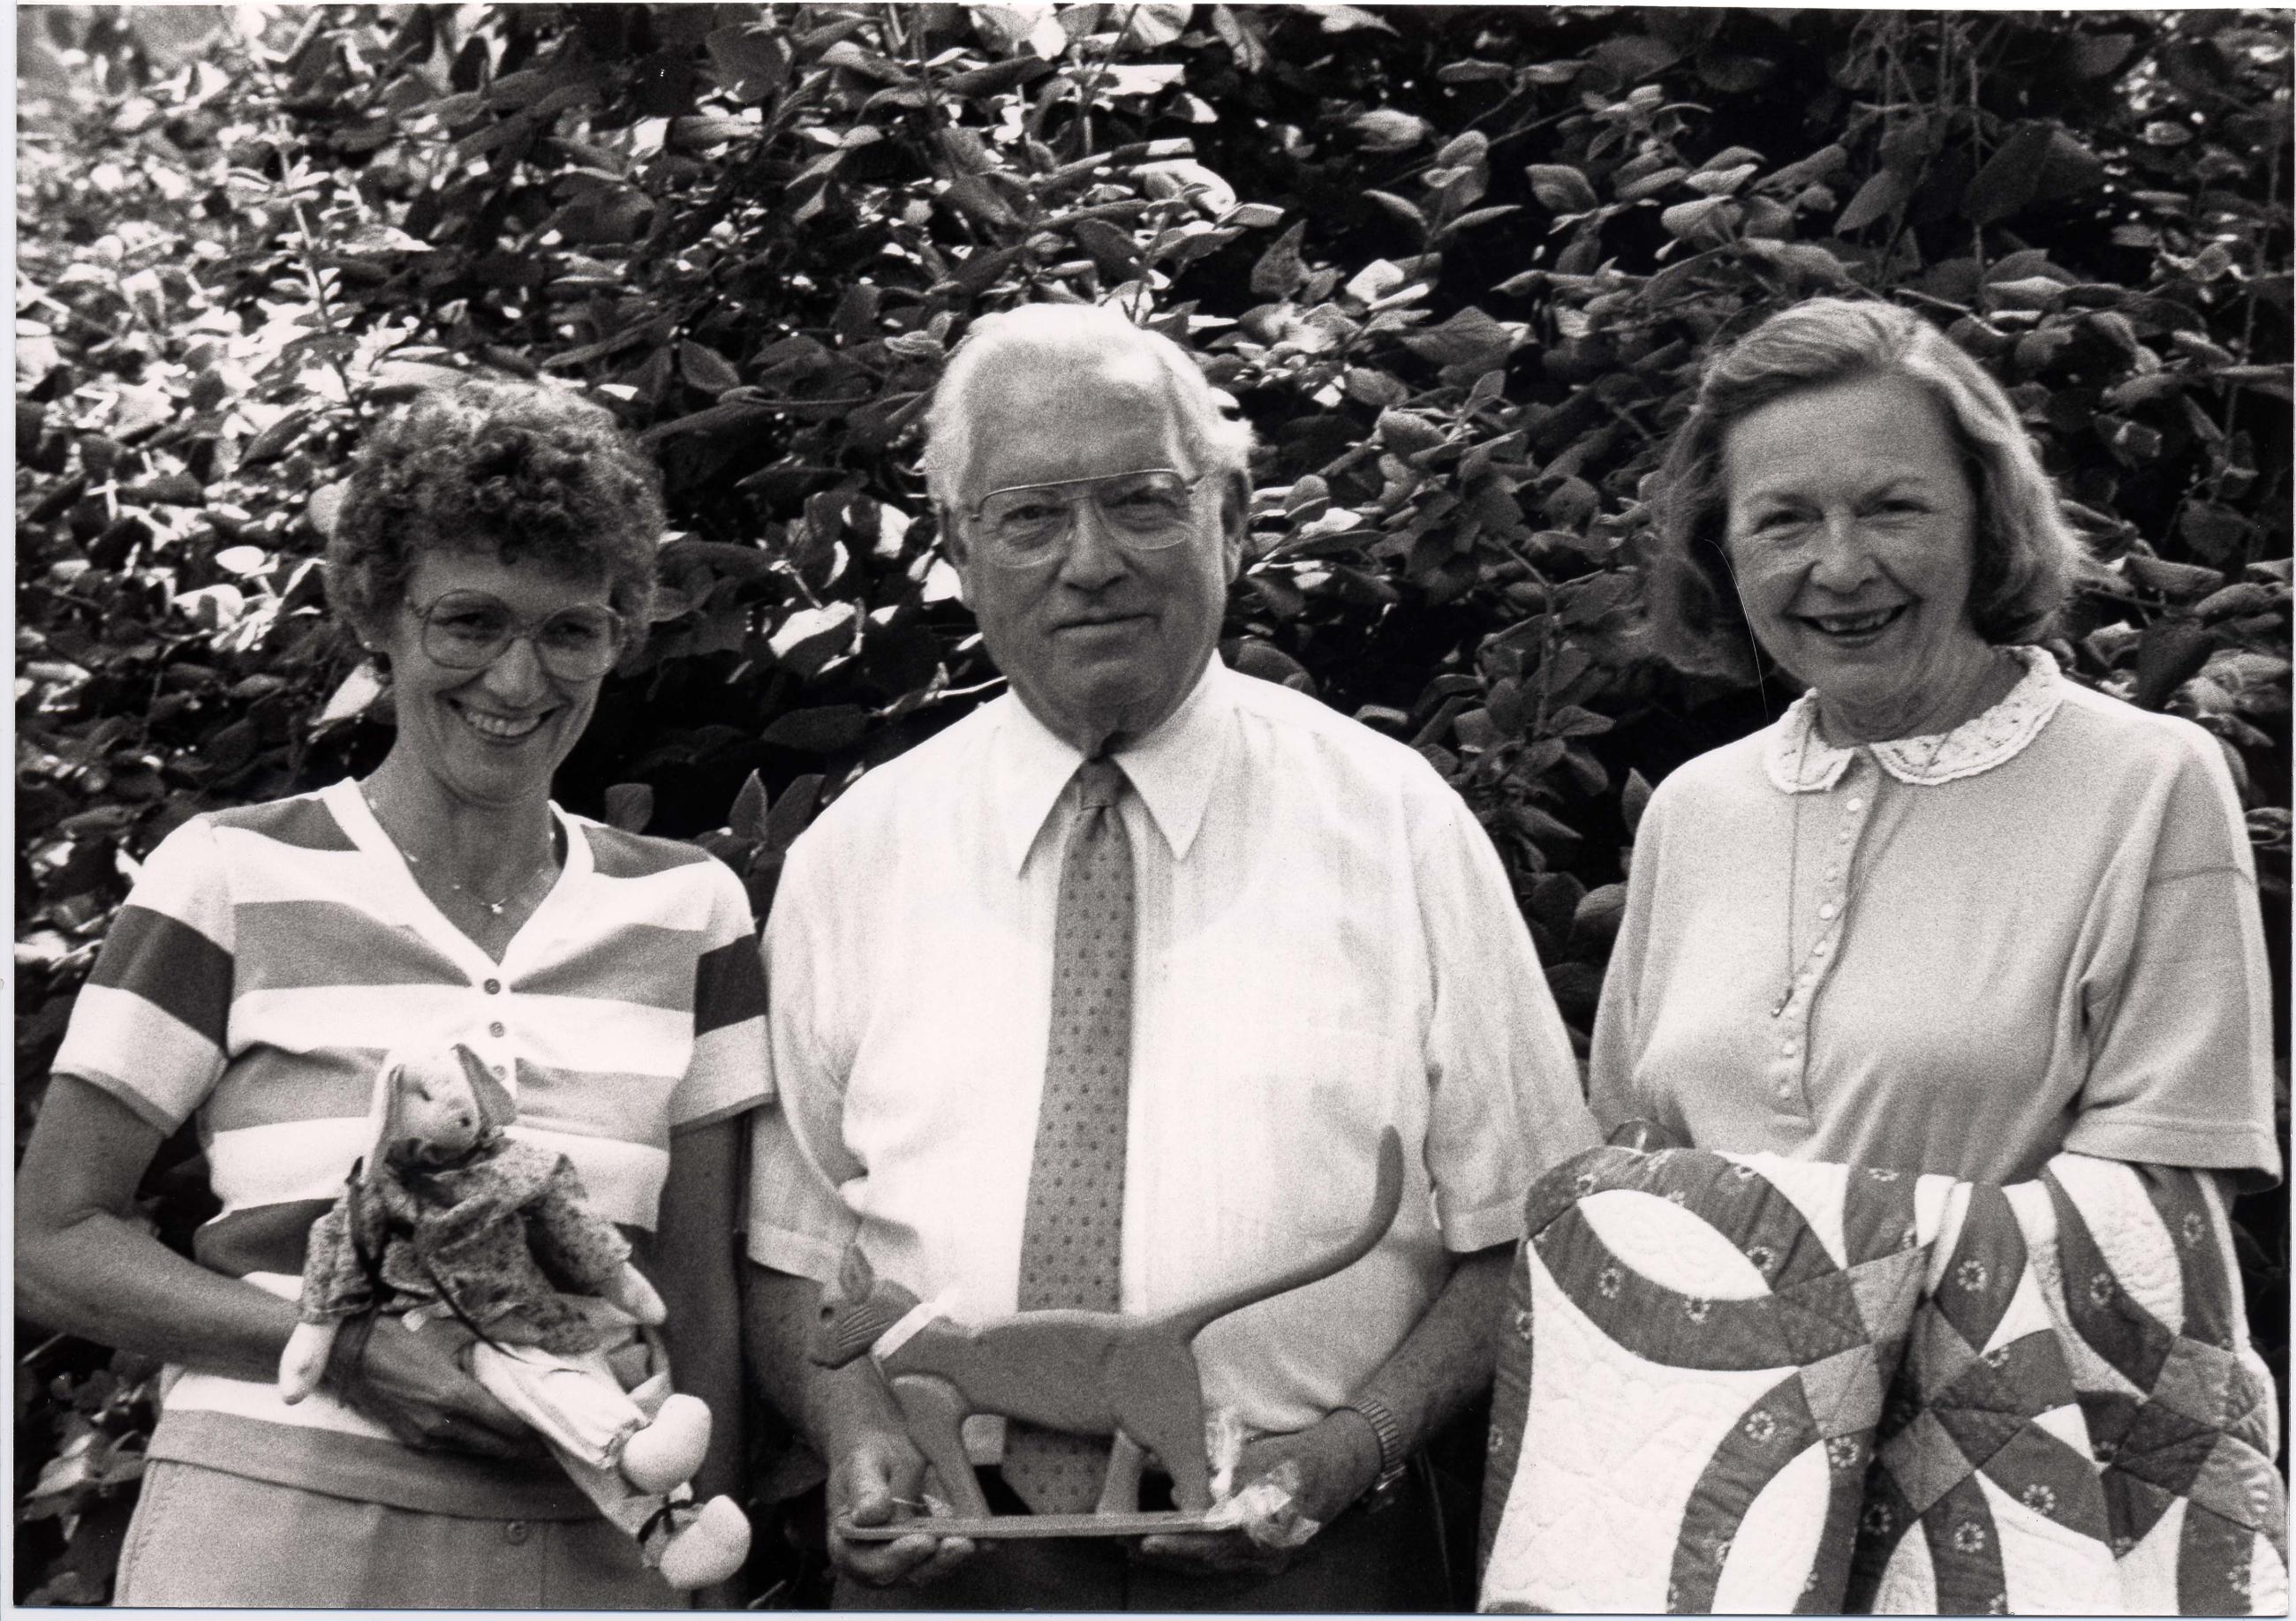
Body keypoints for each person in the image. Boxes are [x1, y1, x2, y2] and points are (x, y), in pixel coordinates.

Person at [743, 302, 1603, 1610]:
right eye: (1030, 518)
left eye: (1142, 502)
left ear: (1234, 519)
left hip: (1307, 1562)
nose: (1090, 562)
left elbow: (1531, 1231)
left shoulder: (1396, 822)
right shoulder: (852, 856)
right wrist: (861, 1439)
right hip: (953, 1578)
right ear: (962, 555)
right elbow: (791, 1261)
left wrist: (1347, 1453)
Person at [15, 379, 769, 1607]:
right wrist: (354, 1353)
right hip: (273, 1533)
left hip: (587, 1547)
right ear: (379, 613)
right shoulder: (232, 873)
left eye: (570, 630)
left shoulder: (692, 910)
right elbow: (45, 1243)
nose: (518, 681)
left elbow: (699, 1301)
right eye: (469, 622)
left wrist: (690, 1564)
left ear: (622, 633)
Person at [1590, 296, 2278, 1189]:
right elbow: (1624, 1166)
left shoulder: (2143, 780)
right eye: (1782, 520)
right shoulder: (1692, 809)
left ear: (1983, 517)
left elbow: (2165, 1198)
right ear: (1719, 548)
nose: (1838, 568)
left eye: (1891, 508)